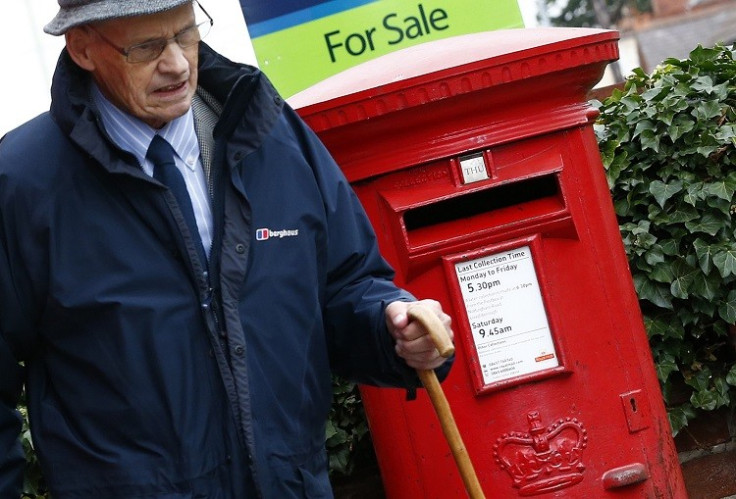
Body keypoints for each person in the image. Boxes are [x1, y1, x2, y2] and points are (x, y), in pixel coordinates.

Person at [0, 1, 454, 497]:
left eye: (187, 34)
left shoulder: (274, 136)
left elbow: (348, 284)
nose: (176, 63)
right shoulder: (22, 184)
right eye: (147, 47)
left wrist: (394, 327)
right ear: (83, 48)